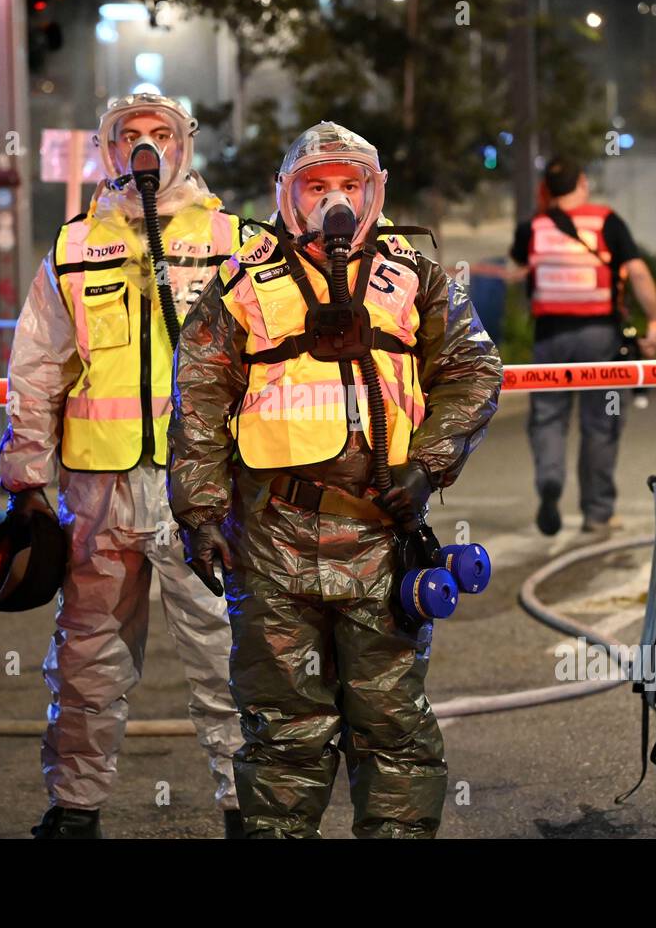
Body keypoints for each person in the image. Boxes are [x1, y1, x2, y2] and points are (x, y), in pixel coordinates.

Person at [169, 121, 502, 838]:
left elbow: (474, 369)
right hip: (271, 539)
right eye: (317, 188)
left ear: (375, 192)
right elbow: (198, 395)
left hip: (383, 536)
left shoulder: (413, 274)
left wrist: (426, 466)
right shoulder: (242, 282)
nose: (335, 202)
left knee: (393, 729)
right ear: (287, 196)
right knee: (285, 733)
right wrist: (198, 514)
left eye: (350, 186)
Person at [0, 93, 247, 839]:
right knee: (86, 660)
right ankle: (74, 809)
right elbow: (38, 368)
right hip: (99, 493)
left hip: (202, 491)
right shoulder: (75, 246)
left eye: (160, 134)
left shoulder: (233, 240)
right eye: (129, 136)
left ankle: (248, 807)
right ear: (107, 151)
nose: (146, 149)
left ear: (186, 145)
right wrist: (27, 485)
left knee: (227, 653)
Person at [509, 157, 656, 537]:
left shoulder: (532, 227)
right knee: (601, 424)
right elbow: (639, 272)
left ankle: (550, 480)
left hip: (548, 338)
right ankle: (597, 512)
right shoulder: (607, 221)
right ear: (581, 182)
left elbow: (518, 272)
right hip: (601, 339)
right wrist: (655, 321)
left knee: (547, 419)